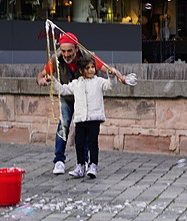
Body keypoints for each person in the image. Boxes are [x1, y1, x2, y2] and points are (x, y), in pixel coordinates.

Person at [36, 32, 125, 175]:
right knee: (63, 126)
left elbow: (106, 68)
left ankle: (84, 163)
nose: (66, 54)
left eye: (69, 51)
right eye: (63, 51)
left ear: (76, 49)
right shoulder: (56, 59)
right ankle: (59, 161)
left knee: (84, 133)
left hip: (84, 101)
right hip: (67, 94)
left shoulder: (87, 56)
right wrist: (41, 80)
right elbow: (41, 74)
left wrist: (119, 75)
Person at [52, 57, 118, 178]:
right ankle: (80, 165)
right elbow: (63, 90)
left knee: (93, 142)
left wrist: (112, 76)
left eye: (93, 67)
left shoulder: (99, 81)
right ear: (81, 70)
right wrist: (53, 81)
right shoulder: (76, 83)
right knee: (79, 143)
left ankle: (93, 165)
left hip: (94, 118)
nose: (91, 70)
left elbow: (110, 85)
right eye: (88, 68)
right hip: (80, 119)